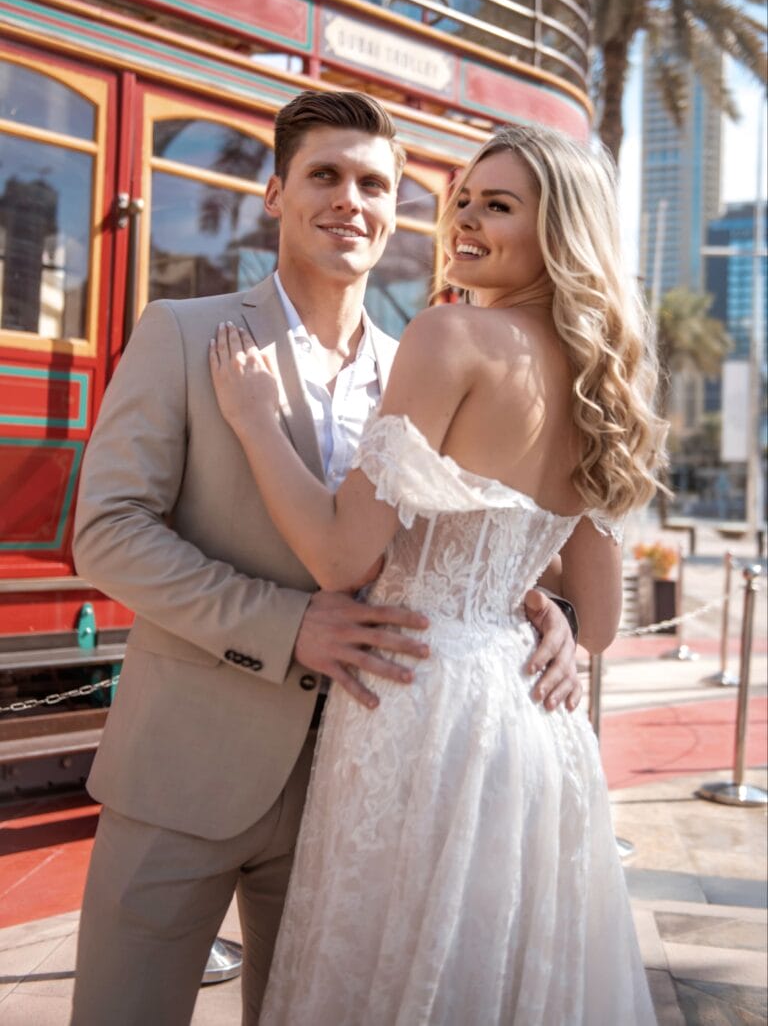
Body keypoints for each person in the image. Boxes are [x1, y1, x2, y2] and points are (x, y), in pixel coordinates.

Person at [69, 91, 581, 1026]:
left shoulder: (427, 364)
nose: (352, 200)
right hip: (185, 769)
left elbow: (467, 541)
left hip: (354, 789)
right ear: (275, 194)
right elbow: (108, 532)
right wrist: (285, 625)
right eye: (326, 176)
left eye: (375, 185)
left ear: (397, 213)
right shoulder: (183, 332)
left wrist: (544, 610)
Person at [209, 122, 667, 1025]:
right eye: (462, 200)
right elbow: (601, 618)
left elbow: (342, 556)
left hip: (418, 699)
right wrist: (542, 611)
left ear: (558, 232)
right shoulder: (601, 380)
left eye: (498, 206)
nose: (464, 220)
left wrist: (257, 422)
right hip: (534, 719)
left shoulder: (449, 334)